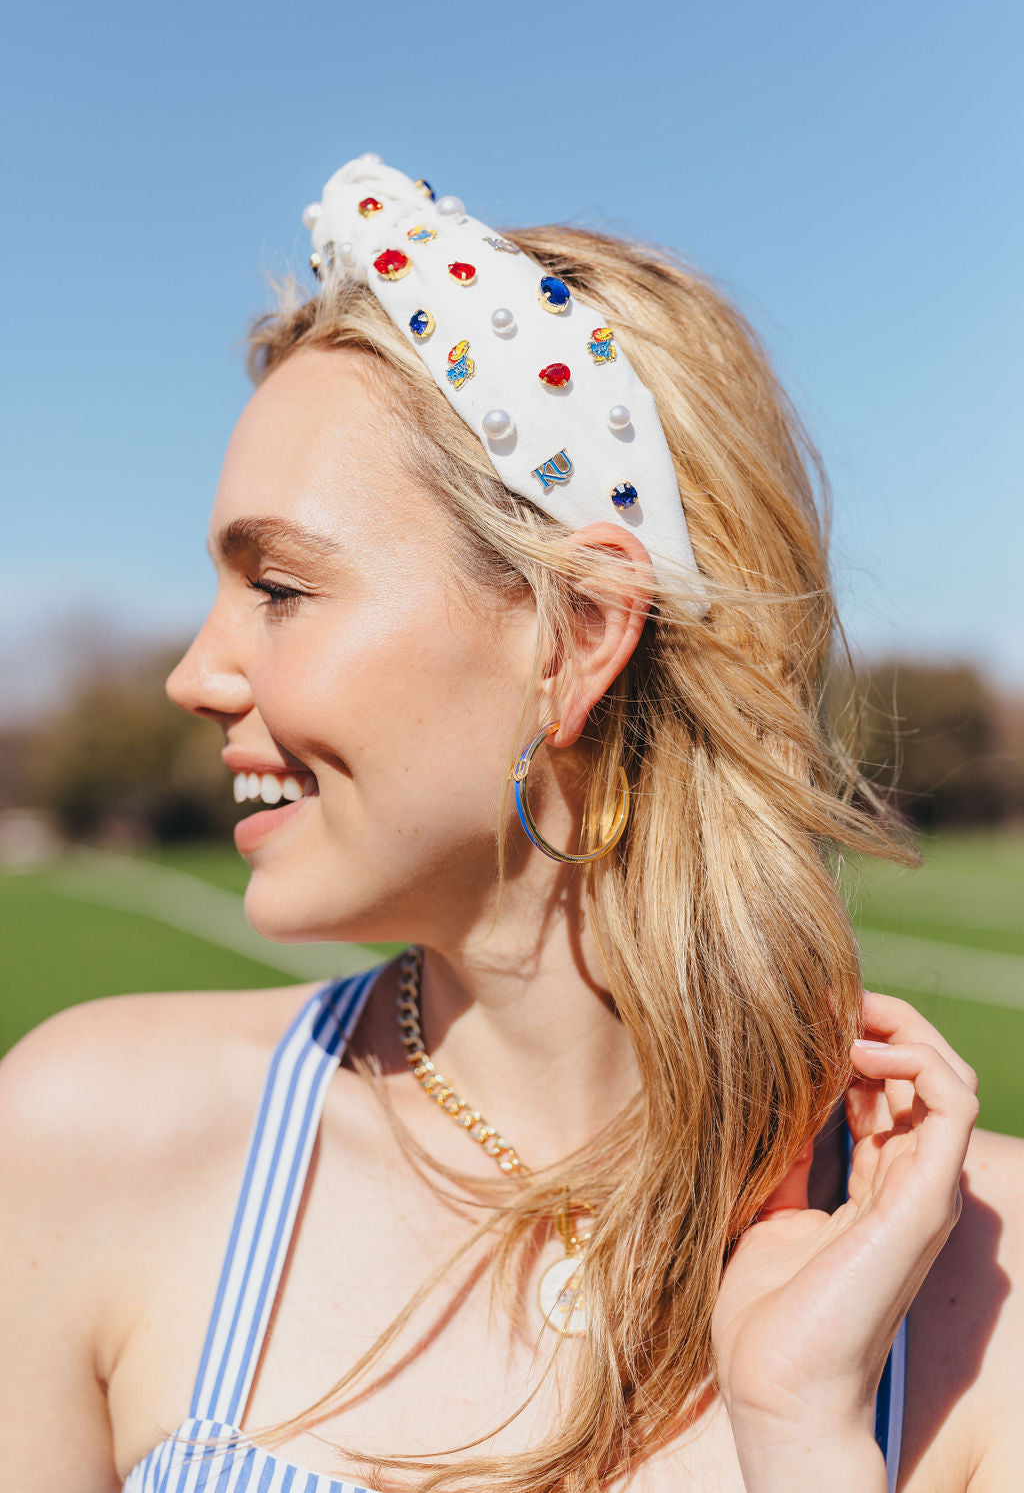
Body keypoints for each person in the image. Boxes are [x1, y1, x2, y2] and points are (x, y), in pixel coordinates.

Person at [1, 153, 1020, 1493]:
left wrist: (803, 1441)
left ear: (577, 633)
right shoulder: (82, 1140)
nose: (196, 675)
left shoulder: (980, 1290)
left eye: (284, 587)